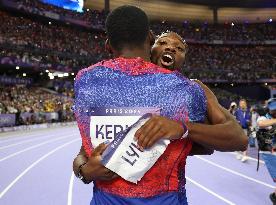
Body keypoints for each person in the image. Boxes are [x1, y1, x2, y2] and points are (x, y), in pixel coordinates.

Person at [73, 6, 247, 205]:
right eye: (163, 42)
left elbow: (229, 140)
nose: (171, 48)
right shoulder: (101, 87)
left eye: (179, 48)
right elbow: (84, 153)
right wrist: (85, 171)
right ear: (150, 41)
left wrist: (182, 130)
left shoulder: (191, 91)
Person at [257, 98, 276, 204]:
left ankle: (274, 196)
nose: (274, 111)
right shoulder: (263, 117)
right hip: (268, 152)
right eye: (273, 110)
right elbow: (261, 124)